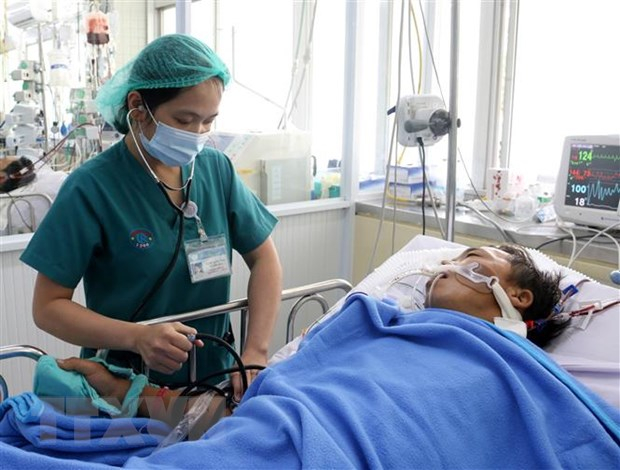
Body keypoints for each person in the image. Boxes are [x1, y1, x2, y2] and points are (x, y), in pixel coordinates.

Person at [20, 34, 283, 402]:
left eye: (208, 121)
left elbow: (265, 260)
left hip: (215, 375)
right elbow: (48, 308)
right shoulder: (92, 187)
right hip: (124, 386)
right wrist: (137, 337)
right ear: (137, 106)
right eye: (184, 120)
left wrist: (255, 350)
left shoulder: (215, 169)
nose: (197, 134)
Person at [55, 243, 567, 430]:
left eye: (471, 260)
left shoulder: (510, 363)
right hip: (294, 416)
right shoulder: (384, 318)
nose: (447, 266)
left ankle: (135, 401)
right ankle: (130, 396)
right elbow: (297, 392)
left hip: (343, 433)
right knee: (250, 412)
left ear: (516, 297)